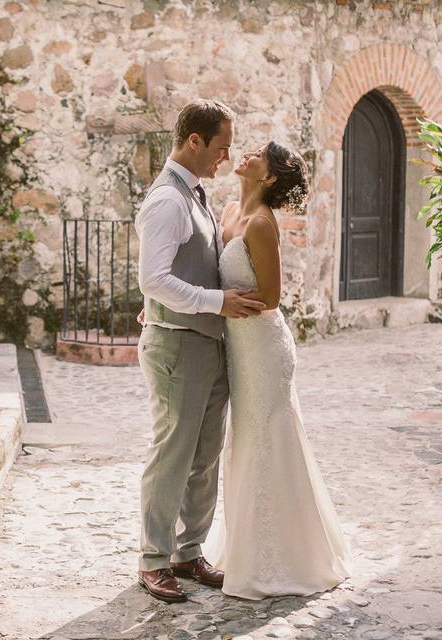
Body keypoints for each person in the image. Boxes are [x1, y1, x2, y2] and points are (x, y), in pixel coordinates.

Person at [204, 141, 352, 599]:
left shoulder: (263, 224)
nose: (245, 154)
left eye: (257, 155)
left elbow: (269, 297)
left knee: (270, 439)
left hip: (264, 349)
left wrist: (225, 307)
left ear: (268, 177)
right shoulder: (228, 211)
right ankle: (247, 547)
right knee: (245, 440)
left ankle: (286, 558)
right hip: (239, 346)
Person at [134, 99, 265, 604]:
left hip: (208, 343)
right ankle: (153, 559)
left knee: (204, 457)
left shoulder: (196, 194)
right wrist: (216, 302)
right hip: (178, 346)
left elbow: (183, 269)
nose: (225, 158)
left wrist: (206, 307)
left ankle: (188, 551)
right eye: (221, 146)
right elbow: (155, 278)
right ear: (195, 141)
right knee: (172, 454)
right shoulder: (167, 199)